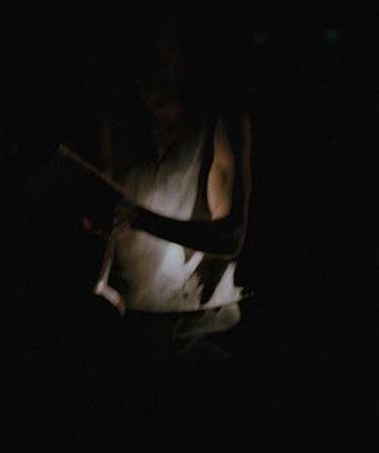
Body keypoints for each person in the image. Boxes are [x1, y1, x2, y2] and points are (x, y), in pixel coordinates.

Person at [81, 22, 253, 402]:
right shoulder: (117, 120)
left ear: (179, 55)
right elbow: (100, 216)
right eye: (133, 60)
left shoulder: (218, 119)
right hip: (133, 329)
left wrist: (136, 217)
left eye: (153, 58)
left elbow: (230, 236)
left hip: (205, 327)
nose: (141, 72)